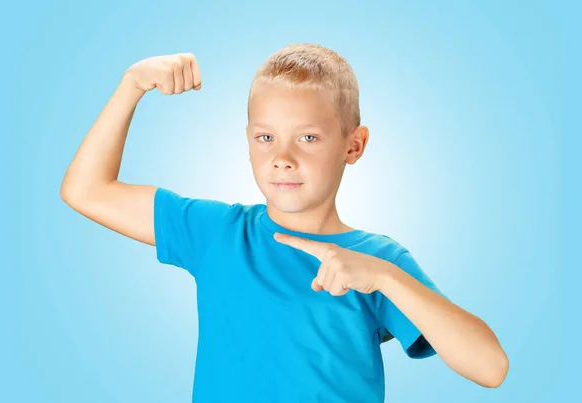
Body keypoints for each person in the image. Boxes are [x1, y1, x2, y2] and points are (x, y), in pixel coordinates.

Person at [60, 43, 508, 402]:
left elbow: (490, 368)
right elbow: (85, 190)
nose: (282, 159)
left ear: (354, 146)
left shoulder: (377, 261)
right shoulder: (216, 233)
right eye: (266, 138)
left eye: (308, 138)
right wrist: (131, 86)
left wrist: (387, 278)